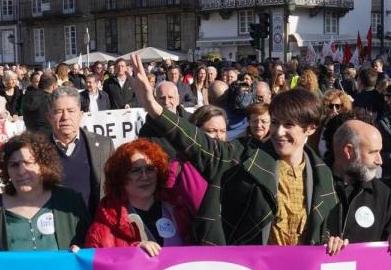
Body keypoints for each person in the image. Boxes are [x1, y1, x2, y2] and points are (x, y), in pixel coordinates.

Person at [133, 65, 338, 246]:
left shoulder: (322, 174)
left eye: (289, 125)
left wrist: (334, 240)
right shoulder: (247, 155)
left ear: (310, 129)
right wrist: (155, 109)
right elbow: (202, 145)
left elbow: (324, 229)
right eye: (275, 123)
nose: (279, 132)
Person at [0, 133, 90, 251]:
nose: (21, 171)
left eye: (29, 163)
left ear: (44, 165)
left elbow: (91, 243)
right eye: (14, 165)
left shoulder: (70, 201)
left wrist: (81, 248)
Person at [84, 139, 193, 256]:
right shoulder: (104, 226)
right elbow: (99, 267)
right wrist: (134, 251)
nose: (144, 176)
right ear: (120, 177)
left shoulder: (180, 210)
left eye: (150, 169)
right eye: (135, 170)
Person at [323, 120, 391, 255]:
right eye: (373, 152)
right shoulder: (315, 186)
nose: (380, 160)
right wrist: (323, 244)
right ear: (348, 151)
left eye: (380, 152)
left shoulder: (382, 193)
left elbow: (390, 240)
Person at [48, 86, 113, 216]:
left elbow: (116, 186)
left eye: (71, 111)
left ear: (81, 114)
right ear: (49, 116)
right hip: (53, 228)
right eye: (59, 111)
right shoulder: (36, 149)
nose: (65, 117)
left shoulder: (104, 146)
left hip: (95, 225)